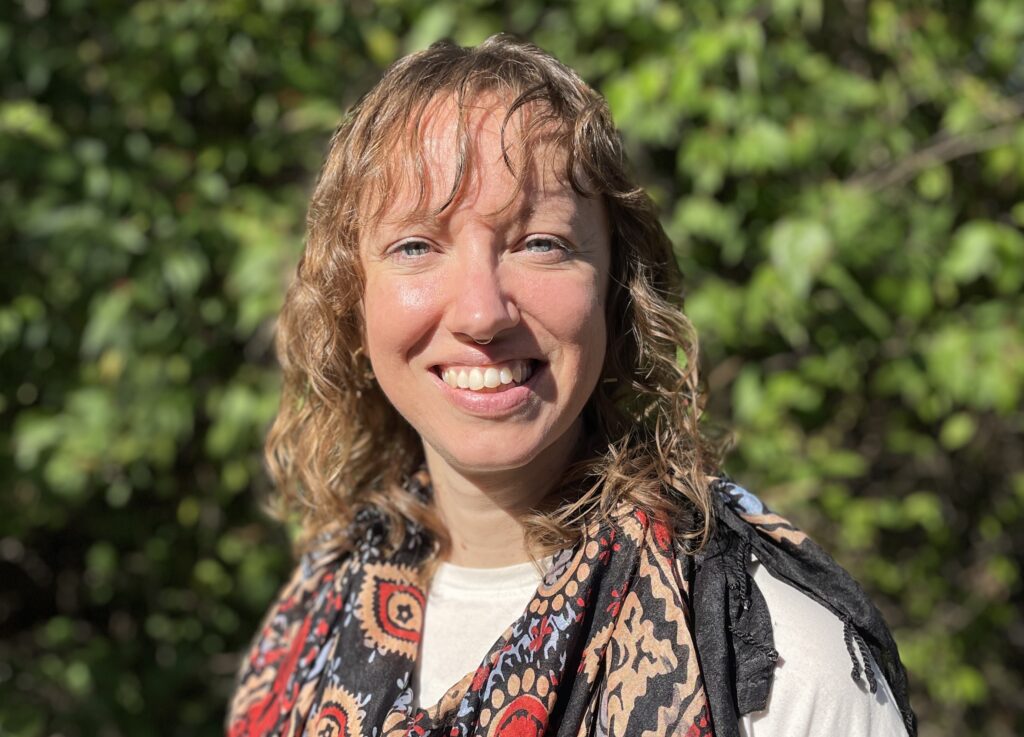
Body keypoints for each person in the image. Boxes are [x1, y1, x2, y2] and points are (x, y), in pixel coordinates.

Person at [227, 35, 916, 737]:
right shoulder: (307, 627)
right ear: (353, 299)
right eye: (416, 246)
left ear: (618, 289)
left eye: (540, 244)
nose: (481, 313)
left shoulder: (776, 666)